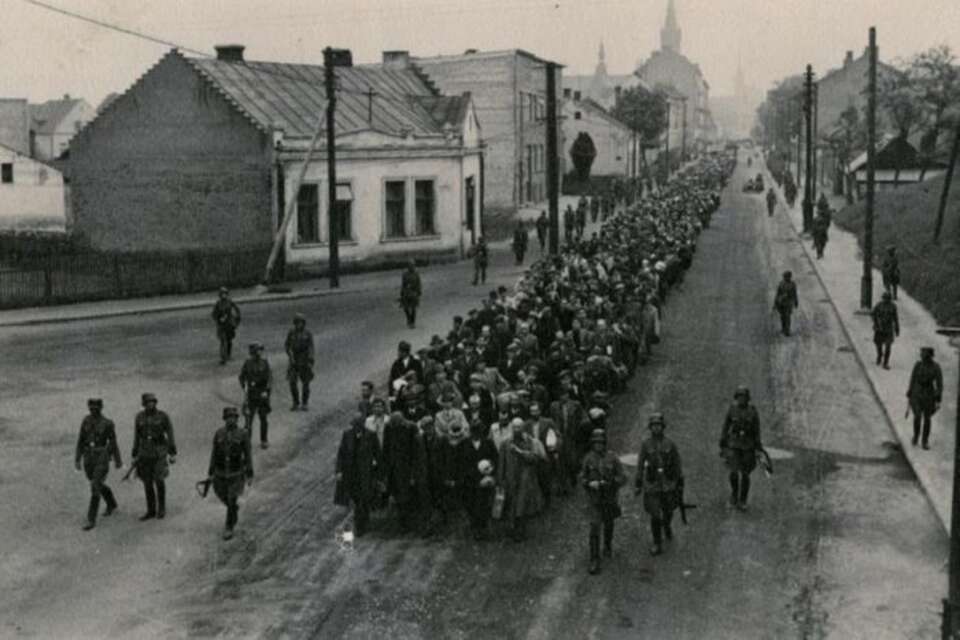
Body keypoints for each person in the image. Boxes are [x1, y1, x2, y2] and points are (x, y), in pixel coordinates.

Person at [635, 413, 682, 556]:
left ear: (663, 427)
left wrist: (678, 481)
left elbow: (677, 463)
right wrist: (638, 482)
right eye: (654, 426)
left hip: (667, 484)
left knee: (669, 510)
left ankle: (667, 525)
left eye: (659, 426)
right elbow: (640, 464)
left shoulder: (670, 444)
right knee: (655, 514)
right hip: (652, 484)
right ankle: (657, 543)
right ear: (650, 428)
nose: (656, 428)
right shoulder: (646, 444)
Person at [581, 428, 626, 574]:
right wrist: (589, 483)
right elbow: (582, 477)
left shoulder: (612, 458)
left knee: (608, 523)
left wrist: (611, 482)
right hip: (594, 500)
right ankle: (594, 559)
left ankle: (607, 545)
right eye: (596, 443)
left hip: (609, 498)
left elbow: (622, 477)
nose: (598, 446)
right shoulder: (588, 459)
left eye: (601, 443)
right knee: (594, 527)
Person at [207, 406, 254, 540]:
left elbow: (248, 455)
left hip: (236, 473)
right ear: (225, 419)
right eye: (228, 418)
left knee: (232, 498)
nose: (231, 420)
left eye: (233, 418)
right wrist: (210, 472)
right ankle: (233, 510)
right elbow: (214, 454)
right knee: (223, 496)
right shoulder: (219, 433)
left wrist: (250, 473)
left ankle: (229, 527)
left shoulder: (243, 434)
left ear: (237, 419)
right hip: (221, 473)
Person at [75, 398, 122, 530]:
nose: (93, 409)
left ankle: (91, 519)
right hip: (88, 458)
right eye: (91, 406)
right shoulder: (85, 421)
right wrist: (78, 459)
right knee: (96, 482)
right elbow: (80, 440)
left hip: (102, 456)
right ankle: (111, 503)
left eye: (96, 407)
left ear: (101, 408)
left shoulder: (107, 423)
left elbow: (113, 442)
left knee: (95, 485)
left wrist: (117, 460)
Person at [497, 421, 546, 541]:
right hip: (510, 478)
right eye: (514, 427)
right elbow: (501, 462)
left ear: (523, 428)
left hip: (525, 478)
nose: (516, 429)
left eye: (518, 427)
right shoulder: (505, 443)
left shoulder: (530, 441)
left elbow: (534, 458)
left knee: (522, 505)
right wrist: (500, 479)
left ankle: (520, 530)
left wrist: (519, 452)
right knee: (511, 504)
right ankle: (512, 529)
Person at [335, 413, 382, 537]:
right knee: (355, 498)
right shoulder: (347, 435)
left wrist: (377, 471)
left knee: (363, 499)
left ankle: (361, 524)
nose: (356, 427)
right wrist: (339, 471)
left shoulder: (371, 436)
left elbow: (378, 454)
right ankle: (361, 521)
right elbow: (341, 454)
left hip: (366, 474)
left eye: (359, 425)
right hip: (351, 473)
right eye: (355, 425)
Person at [131, 393, 176, 521]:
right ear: (144, 404)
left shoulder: (163, 416)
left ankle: (161, 508)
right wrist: (134, 453)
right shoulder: (139, 417)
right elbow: (137, 436)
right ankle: (151, 510)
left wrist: (172, 452)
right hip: (144, 453)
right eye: (147, 402)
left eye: (152, 402)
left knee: (159, 479)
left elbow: (170, 434)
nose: (150, 404)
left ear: (156, 403)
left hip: (159, 452)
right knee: (147, 482)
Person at [719, 386, 762, 511]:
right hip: (734, 444)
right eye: (739, 397)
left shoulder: (752, 411)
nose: (741, 400)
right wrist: (723, 441)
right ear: (736, 398)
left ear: (747, 399)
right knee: (733, 472)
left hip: (748, 445)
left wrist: (757, 444)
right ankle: (734, 494)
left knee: (745, 474)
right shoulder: (732, 410)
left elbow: (756, 429)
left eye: (743, 397)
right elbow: (726, 426)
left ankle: (743, 499)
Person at [460, 419, 499, 540]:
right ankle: (475, 528)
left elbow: (495, 459)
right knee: (472, 505)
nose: (476, 433)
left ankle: (484, 528)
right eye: (474, 430)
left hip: (486, 479)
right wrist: (475, 477)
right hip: (471, 481)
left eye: (479, 430)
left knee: (485, 505)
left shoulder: (488, 443)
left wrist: (490, 473)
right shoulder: (464, 444)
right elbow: (461, 463)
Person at [906, 347, 943, 449]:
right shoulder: (917, 365)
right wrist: (909, 391)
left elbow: (940, 384)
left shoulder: (936, 367)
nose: (922, 356)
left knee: (927, 418)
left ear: (930, 356)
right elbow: (912, 378)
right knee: (917, 416)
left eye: (924, 355)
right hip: (917, 393)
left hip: (929, 394)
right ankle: (916, 436)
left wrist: (938, 397)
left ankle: (925, 441)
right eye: (921, 354)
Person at [239, 342, 273, 449]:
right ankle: (247, 441)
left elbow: (270, 379)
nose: (259, 353)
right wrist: (244, 387)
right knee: (249, 419)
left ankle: (264, 440)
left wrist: (266, 392)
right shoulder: (247, 363)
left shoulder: (265, 363)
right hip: (251, 395)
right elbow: (242, 377)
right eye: (257, 351)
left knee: (263, 418)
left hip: (262, 395)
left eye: (260, 350)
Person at [284, 314, 315, 411]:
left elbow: (311, 347)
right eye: (297, 323)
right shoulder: (291, 333)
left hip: (304, 360)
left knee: (305, 383)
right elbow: (287, 346)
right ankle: (295, 402)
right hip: (294, 360)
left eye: (301, 323)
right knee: (292, 382)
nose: (299, 325)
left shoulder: (307, 334)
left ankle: (305, 403)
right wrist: (290, 355)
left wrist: (310, 360)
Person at [211, 287, 241, 365]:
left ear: (227, 294)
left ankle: (228, 355)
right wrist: (219, 319)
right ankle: (223, 358)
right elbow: (213, 314)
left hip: (229, 324)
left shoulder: (230, 302)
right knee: (223, 341)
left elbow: (237, 311)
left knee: (229, 340)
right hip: (221, 326)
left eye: (225, 294)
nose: (223, 295)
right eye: (222, 294)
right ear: (220, 295)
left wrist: (236, 321)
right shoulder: (218, 303)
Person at [871, 291, 899, 369]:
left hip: (889, 329)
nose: (886, 300)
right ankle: (879, 355)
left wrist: (897, 329)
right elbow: (873, 314)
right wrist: (876, 322)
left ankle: (885, 363)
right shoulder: (879, 305)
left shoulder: (893, 307)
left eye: (888, 299)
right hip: (879, 328)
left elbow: (895, 318)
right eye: (885, 298)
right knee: (878, 344)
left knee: (888, 346)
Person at [773, 271, 799, 336]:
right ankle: (783, 328)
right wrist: (775, 303)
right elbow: (778, 293)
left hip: (788, 303)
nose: (786, 278)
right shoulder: (781, 284)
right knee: (782, 316)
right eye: (785, 277)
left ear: (790, 277)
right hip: (781, 302)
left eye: (787, 277)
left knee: (787, 317)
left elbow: (795, 294)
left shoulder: (792, 284)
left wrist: (796, 302)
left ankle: (787, 330)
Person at [399, 260, 422, 328]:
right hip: (406, 292)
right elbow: (403, 284)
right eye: (410, 266)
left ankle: (412, 322)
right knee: (405, 307)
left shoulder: (416, 274)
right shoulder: (404, 274)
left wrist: (419, 291)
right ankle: (408, 318)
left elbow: (419, 283)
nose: (412, 267)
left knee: (413, 308)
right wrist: (402, 292)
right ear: (408, 266)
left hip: (414, 292)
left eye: (413, 266)